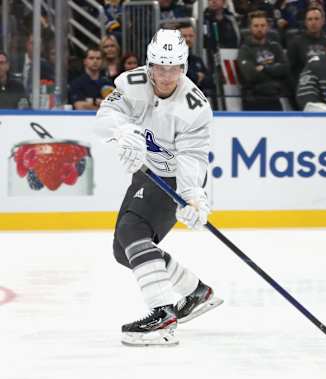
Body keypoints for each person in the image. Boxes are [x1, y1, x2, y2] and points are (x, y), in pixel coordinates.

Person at [95, 29, 223, 346]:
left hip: (177, 177)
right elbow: (104, 117)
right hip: (150, 171)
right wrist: (123, 132)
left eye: (174, 68)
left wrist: (193, 196)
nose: (166, 76)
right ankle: (196, 292)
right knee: (124, 251)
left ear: (184, 67)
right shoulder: (132, 83)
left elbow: (193, 156)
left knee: (132, 230)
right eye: (160, 68)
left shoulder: (194, 107)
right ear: (150, 65)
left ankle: (162, 314)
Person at [238, 11, 290, 110]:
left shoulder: (275, 47)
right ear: (250, 28)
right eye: (256, 26)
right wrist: (274, 70)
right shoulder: (245, 49)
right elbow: (250, 75)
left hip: (274, 98)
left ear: (268, 27)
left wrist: (263, 68)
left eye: (262, 25)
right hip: (253, 100)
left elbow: (285, 69)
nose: (259, 29)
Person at [287, 6, 326, 86]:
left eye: (316, 19)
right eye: (310, 19)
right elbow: (289, 71)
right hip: (304, 85)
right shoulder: (295, 43)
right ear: (305, 22)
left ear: (323, 21)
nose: (313, 22)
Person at [180, 25, 215, 97]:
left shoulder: (197, 60)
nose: (188, 39)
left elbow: (210, 82)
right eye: (184, 36)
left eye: (191, 36)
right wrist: (197, 77)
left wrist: (195, 78)